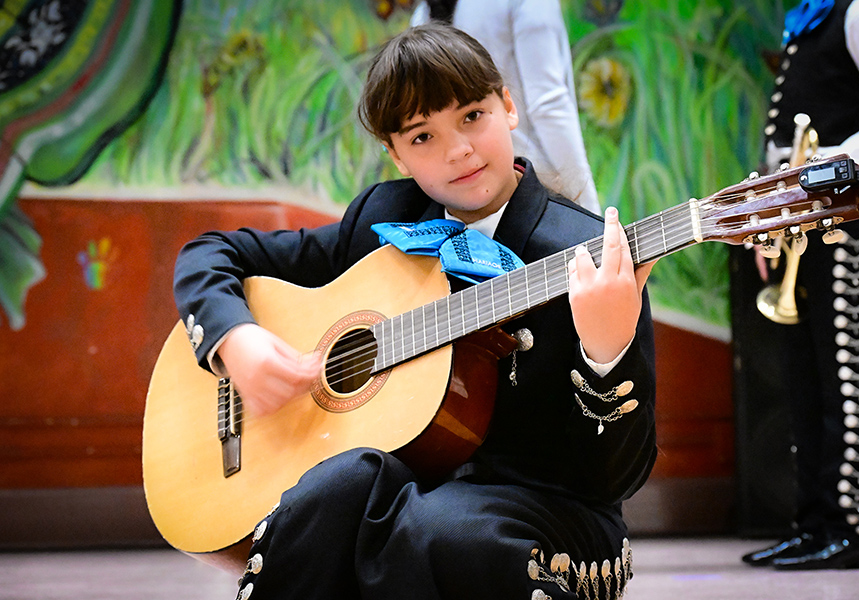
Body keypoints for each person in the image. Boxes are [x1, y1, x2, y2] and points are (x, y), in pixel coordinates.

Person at [173, 24, 657, 599]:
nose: (458, 150)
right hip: (408, 494)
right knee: (333, 488)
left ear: (508, 106)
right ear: (395, 154)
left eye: (472, 116)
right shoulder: (385, 220)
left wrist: (609, 354)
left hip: (543, 511)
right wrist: (236, 340)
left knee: (436, 528)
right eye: (422, 137)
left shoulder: (584, 253)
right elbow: (212, 253)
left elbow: (615, 478)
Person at [735, 0, 859, 570]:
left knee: (847, 376)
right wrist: (768, 222)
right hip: (797, 223)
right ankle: (812, 524)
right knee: (802, 380)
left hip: (846, 219)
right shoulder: (807, 18)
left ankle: (855, 528)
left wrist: (819, 165)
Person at [410, 0, 601, 214]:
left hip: (484, 196)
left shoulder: (421, 18)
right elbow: (548, 104)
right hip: (539, 186)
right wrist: (587, 204)